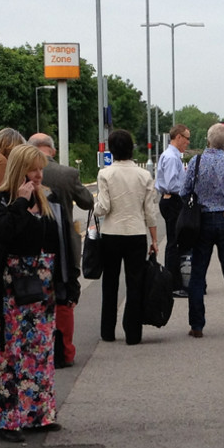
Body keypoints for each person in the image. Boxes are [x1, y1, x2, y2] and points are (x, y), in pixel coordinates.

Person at [0, 144, 80, 443]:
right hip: (9, 290)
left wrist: (68, 282)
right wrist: (21, 203)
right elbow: (3, 232)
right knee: (8, 354)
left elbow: (60, 242)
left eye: (40, 169)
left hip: (42, 288)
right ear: (18, 171)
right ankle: (7, 419)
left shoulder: (47, 199)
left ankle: (38, 414)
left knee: (40, 352)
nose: (38, 175)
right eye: (32, 170)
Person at [28, 133, 94, 367]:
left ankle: (37, 351)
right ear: (53, 150)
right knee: (65, 295)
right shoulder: (67, 174)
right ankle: (64, 352)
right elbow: (88, 202)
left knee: (32, 298)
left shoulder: (19, 173)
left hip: (29, 246)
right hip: (63, 243)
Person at [180, 123, 224, 338]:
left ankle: (197, 326)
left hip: (202, 222)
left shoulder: (196, 161)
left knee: (198, 273)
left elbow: (184, 192)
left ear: (208, 140)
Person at [94, 129, 158, 345]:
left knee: (110, 283)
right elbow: (150, 212)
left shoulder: (105, 174)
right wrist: (154, 240)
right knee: (135, 284)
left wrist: (95, 207)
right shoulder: (144, 175)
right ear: (131, 148)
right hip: (136, 234)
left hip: (111, 234)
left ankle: (107, 331)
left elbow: (103, 207)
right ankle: (133, 334)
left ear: (111, 150)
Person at [156, 124, 191, 297]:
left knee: (174, 241)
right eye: (187, 138)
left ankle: (174, 282)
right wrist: (187, 188)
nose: (188, 142)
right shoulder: (171, 157)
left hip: (172, 201)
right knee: (173, 243)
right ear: (178, 137)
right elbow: (171, 184)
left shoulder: (172, 156)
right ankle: (173, 285)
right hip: (173, 201)